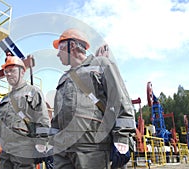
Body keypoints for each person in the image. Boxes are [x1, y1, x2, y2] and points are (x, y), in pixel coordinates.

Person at [51, 28, 136, 169]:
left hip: (93, 151)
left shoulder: (101, 65)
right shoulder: (64, 78)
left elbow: (121, 103)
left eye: (60, 47)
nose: (58, 54)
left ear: (72, 45)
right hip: (64, 153)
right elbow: (56, 118)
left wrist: (121, 139)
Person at [0, 55, 50, 169]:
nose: (8, 74)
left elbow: (42, 119)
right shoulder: (5, 99)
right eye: (6, 72)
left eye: (12, 71)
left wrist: (42, 143)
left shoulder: (32, 92)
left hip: (24, 148)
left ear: (22, 72)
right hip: (6, 151)